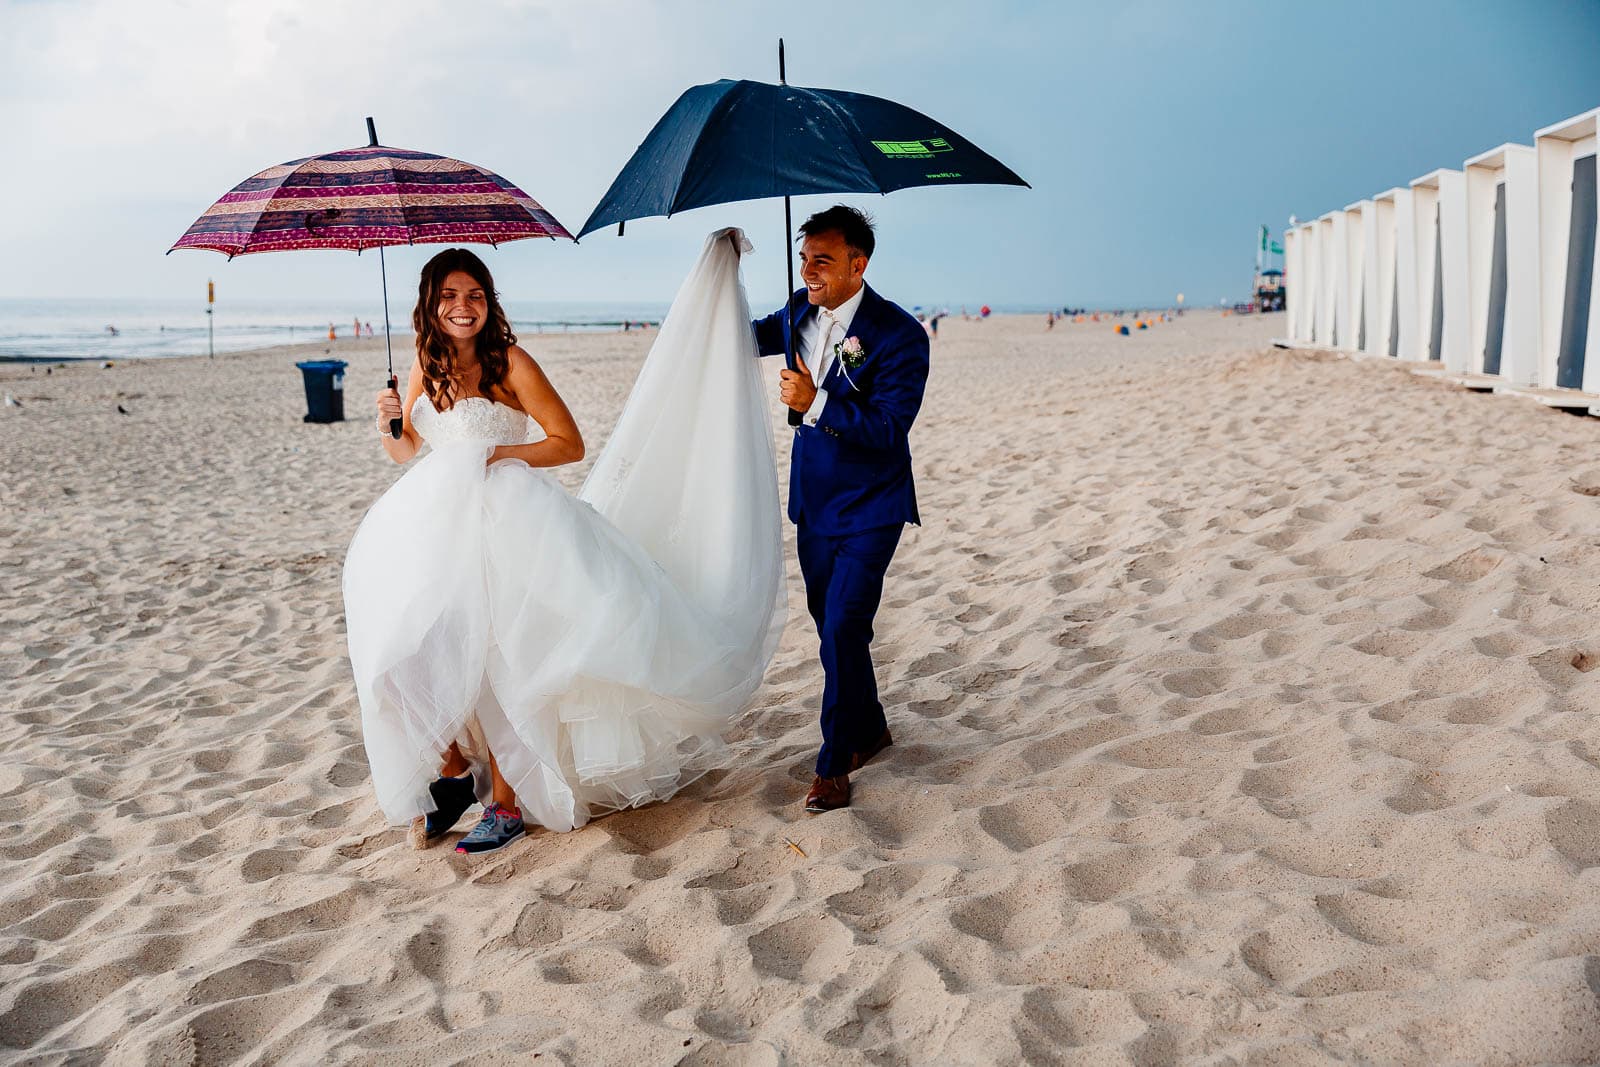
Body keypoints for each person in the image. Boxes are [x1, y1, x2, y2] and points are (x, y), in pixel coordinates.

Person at [345, 235, 783, 855]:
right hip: (437, 523)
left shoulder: (511, 363)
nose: (462, 306)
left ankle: (506, 802)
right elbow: (406, 451)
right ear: (430, 303)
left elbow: (566, 443)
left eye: (473, 295)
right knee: (409, 650)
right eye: (449, 296)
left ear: (488, 302)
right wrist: (388, 418)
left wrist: (494, 452)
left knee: (502, 655)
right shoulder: (422, 361)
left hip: (509, 519)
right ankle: (452, 771)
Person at [752, 205, 928, 814]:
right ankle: (873, 725)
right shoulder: (799, 310)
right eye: (804, 259)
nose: (808, 272)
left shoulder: (900, 335)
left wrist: (816, 399)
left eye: (821, 260)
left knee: (845, 626)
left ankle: (834, 762)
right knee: (833, 627)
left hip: (872, 506)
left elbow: (888, 427)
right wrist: (720, 268)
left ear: (860, 263)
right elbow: (745, 336)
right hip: (814, 503)